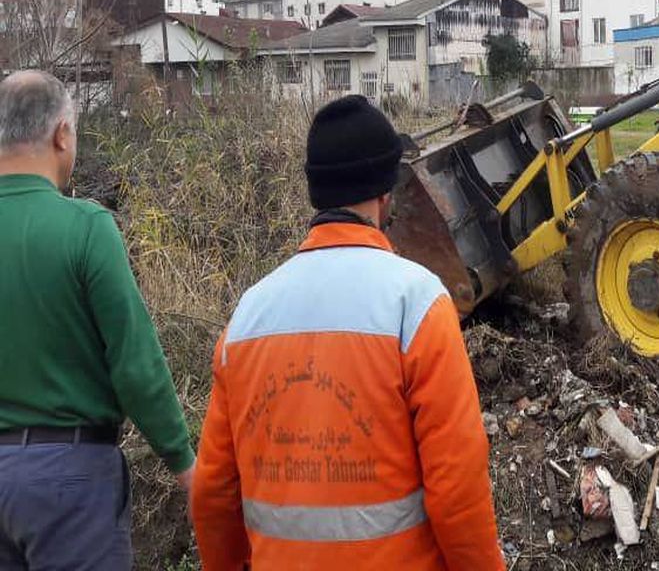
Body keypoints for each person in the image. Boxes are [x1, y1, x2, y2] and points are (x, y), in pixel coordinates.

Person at [191, 95, 503, 571]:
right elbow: (456, 486)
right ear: (384, 194)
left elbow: (214, 493)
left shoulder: (247, 317)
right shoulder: (417, 304)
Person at [0, 70, 195, 570]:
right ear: (61, 134)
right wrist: (182, 462)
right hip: (71, 477)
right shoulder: (86, 228)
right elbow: (135, 362)